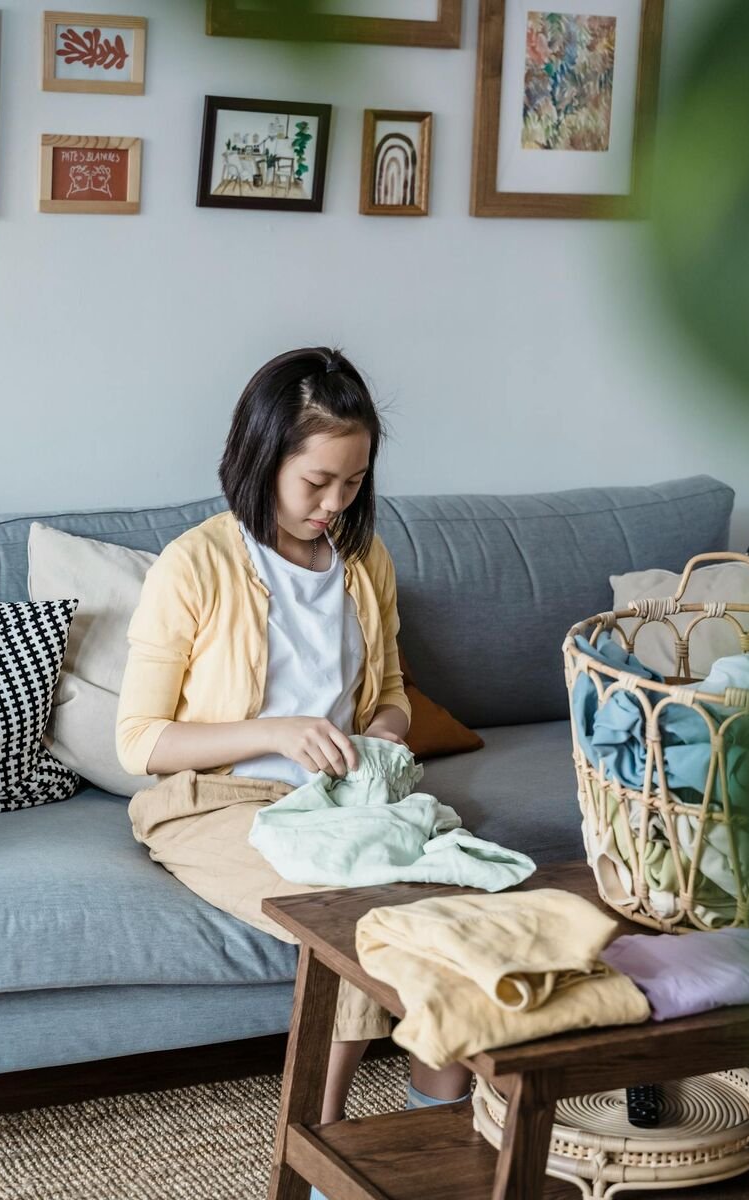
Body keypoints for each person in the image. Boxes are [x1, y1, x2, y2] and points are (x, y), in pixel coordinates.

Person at [115, 347, 473, 1182]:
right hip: (214, 801)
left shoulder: (363, 559)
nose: (334, 503)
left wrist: (381, 734)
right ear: (261, 454)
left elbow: (386, 692)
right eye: (317, 481)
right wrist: (274, 730)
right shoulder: (193, 565)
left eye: (353, 482)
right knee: (347, 909)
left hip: (342, 791)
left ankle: (438, 1124)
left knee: (463, 901)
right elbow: (140, 742)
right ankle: (324, 1149)